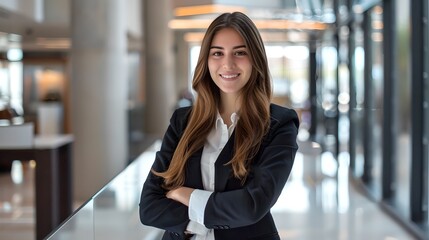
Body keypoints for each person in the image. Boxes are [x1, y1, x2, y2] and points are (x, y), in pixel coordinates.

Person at [139, 11, 299, 240]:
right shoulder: (183, 121)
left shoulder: (278, 124)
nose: (228, 63)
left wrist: (184, 194)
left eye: (240, 52)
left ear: (256, 58)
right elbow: (149, 207)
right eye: (217, 53)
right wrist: (208, 222)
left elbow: (252, 205)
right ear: (206, 60)